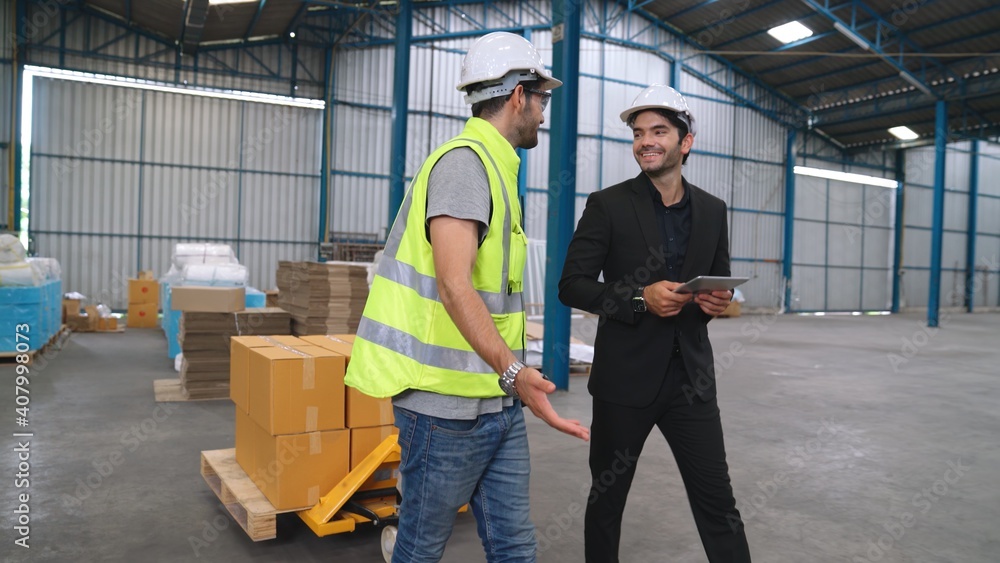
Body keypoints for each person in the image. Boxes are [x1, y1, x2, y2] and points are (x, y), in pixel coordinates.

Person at [345, 31, 590, 563]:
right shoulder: (465, 165)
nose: (544, 112)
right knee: (420, 547)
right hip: (442, 408)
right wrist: (513, 372)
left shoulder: (498, 168)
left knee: (514, 546)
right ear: (519, 96)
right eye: (542, 98)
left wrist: (511, 384)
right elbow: (455, 285)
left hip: (495, 401)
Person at [558, 84, 752, 562]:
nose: (647, 141)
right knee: (607, 502)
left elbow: (720, 286)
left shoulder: (713, 210)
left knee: (718, 503)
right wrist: (639, 299)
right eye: (639, 132)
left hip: (691, 383)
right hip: (625, 382)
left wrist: (718, 300)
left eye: (659, 131)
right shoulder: (608, 204)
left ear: (685, 142)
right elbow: (572, 285)